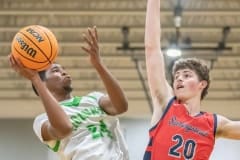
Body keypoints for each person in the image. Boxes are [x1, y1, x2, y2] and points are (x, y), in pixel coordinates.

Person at [9, 26, 129, 160]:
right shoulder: (42, 120)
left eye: (63, 69)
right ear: (43, 84)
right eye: (56, 70)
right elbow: (65, 128)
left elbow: (121, 106)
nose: (64, 72)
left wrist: (99, 65)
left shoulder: (94, 99)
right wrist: (35, 79)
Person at [143, 0, 240, 159]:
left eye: (187, 75)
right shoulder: (165, 104)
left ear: (202, 84)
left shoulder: (214, 124)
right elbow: (152, 48)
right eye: (176, 77)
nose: (179, 79)